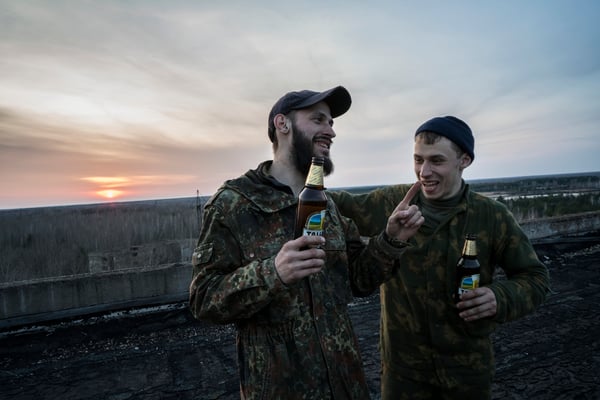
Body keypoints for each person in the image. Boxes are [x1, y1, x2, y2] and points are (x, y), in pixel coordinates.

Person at [188, 86, 424, 400]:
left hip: (345, 385)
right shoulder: (233, 205)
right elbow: (203, 299)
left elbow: (359, 279)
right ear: (282, 124)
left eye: (332, 123)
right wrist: (273, 273)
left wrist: (391, 240)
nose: (331, 131)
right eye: (318, 120)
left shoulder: (326, 205)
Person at [329, 115, 551, 400]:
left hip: (466, 370)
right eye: (418, 160)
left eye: (437, 161)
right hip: (402, 373)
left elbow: (535, 278)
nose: (424, 171)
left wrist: (501, 297)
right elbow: (332, 204)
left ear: (464, 160)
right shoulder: (391, 204)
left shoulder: (491, 216)